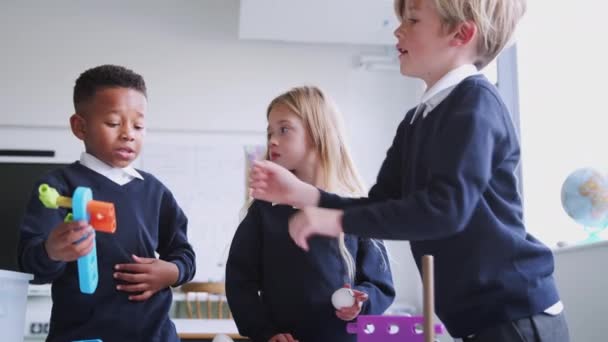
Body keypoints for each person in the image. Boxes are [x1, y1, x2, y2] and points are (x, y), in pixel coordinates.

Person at [248, 1, 571, 341]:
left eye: (413, 20)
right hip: (482, 321)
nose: (398, 29)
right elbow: (379, 207)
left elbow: (445, 210)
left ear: (461, 33)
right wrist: (307, 195)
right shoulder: (415, 121)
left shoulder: (476, 101)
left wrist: (331, 219)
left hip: (516, 314)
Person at [18, 64, 196, 341]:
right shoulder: (58, 187)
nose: (129, 134)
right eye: (114, 123)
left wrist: (171, 272)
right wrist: (52, 251)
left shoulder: (154, 191)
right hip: (83, 336)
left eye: (138, 125)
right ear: (80, 126)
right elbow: (31, 267)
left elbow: (184, 254)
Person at [226, 86, 395, 342]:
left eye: (284, 129)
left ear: (317, 134)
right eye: (270, 131)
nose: (272, 139)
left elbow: (381, 285)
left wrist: (360, 302)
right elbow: (240, 282)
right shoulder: (263, 211)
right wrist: (265, 332)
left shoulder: (354, 209)